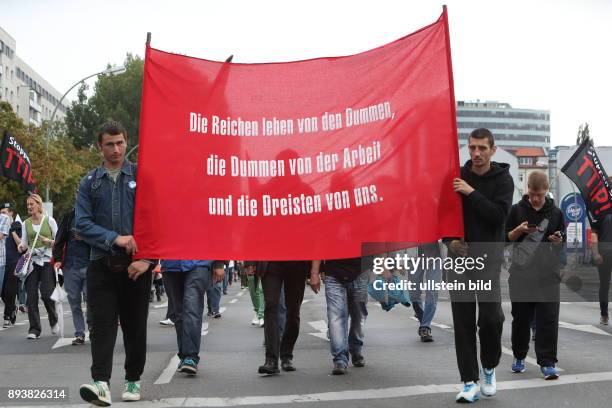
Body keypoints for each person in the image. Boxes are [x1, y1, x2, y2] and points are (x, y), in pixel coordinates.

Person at [76, 121, 156, 406]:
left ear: (126, 142)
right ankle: (100, 384)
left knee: (135, 326)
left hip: (137, 267)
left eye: (120, 143)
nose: (116, 149)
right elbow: (82, 224)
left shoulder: (142, 177)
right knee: (101, 325)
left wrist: (147, 258)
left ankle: (133, 379)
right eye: (109, 144)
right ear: (100, 147)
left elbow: (155, 219)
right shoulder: (89, 183)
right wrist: (115, 238)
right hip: (100, 264)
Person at [446, 128, 514, 403]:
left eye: (482, 148)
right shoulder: (456, 176)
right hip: (459, 261)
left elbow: (498, 217)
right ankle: (468, 381)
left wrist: (471, 192)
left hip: (488, 260)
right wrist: (449, 240)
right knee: (462, 323)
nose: (476, 153)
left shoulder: (504, 180)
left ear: (492, 150)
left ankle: (488, 366)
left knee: (491, 318)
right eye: (472, 148)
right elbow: (442, 214)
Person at [506, 170, 565, 380]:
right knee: (520, 319)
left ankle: (548, 363)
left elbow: (561, 242)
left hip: (548, 275)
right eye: (532, 194)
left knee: (548, 319)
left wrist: (558, 240)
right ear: (527, 190)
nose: (535, 198)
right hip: (521, 274)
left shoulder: (556, 213)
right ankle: (519, 356)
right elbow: (505, 238)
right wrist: (518, 231)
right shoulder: (515, 211)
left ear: (546, 191)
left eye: (539, 194)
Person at [161, 260, 225, 375]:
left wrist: (219, 263)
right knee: (178, 313)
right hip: (171, 264)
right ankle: (184, 355)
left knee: (192, 308)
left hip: (199, 263)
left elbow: (217, 240)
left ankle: (191, 357)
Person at [251, 260, 313, 375]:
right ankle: (271, 360)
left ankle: (286, 355)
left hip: (297, 261)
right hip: (270, 260)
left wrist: (314, 271)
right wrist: (250, 262)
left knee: (293, 312)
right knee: (270, 307)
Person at [311, 257, 368, 375]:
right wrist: (314, 272)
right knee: (336, 317)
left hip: (361, 274)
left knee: (359, 315)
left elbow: (377, 240)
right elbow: (319, 243)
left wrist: (383, 265)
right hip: (333, 274)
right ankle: (340, 359)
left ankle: (356, 348)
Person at [18, 193, 58, 339]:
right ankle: (34, 329)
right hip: (32, 263)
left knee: (47, 294)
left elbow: (59, 242)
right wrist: (21, 247)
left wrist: (49, 241)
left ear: (39, 205)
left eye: (32, 204)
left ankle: (53, 319)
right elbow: (23, 242)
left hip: (47, 261)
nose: (29, 207)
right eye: (28, 205)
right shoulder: (25, 223)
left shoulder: (50, 221)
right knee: (31, 297)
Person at [53, 205, 91, 345]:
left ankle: (92, 327)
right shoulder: (69, 216)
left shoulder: (92, 215)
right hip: (70, 266)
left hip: (90, 265)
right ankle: (79, 333)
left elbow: (101, 239)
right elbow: (60, 238)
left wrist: (85, 237)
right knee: (74, 302)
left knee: (91, 299)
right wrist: (57, 259)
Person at [409, 242, 443, 342]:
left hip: (435, 256)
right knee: (414, 294)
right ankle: (422, 317)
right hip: (413, 257)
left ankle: (425, 327)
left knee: (432, 291)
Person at [591, 178, 612, 326]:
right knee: (604, 285)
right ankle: (604, 314)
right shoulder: (599, 209)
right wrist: (595, 252)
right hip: (604, 254)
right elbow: (594, 233)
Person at [1, 203, 22, 328]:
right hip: (2, 262)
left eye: (4, 212)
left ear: (11, 213)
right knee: (2, 291)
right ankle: (13, 307)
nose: (2, 215)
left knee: (10, 290)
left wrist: (13, 231)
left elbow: (21, 244)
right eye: (1, 213)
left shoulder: (17, 225)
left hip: (14, 262)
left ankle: (7, 316)